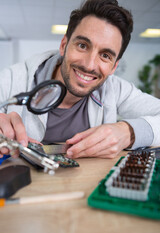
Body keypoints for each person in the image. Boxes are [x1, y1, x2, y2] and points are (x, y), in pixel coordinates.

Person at [0, 0, 160, 159]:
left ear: (114, 67)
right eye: (83, 45)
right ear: (64, 45)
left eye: (105, 56)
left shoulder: (116, 90)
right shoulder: (12, 79)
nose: (90, 65)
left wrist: (129, 132)